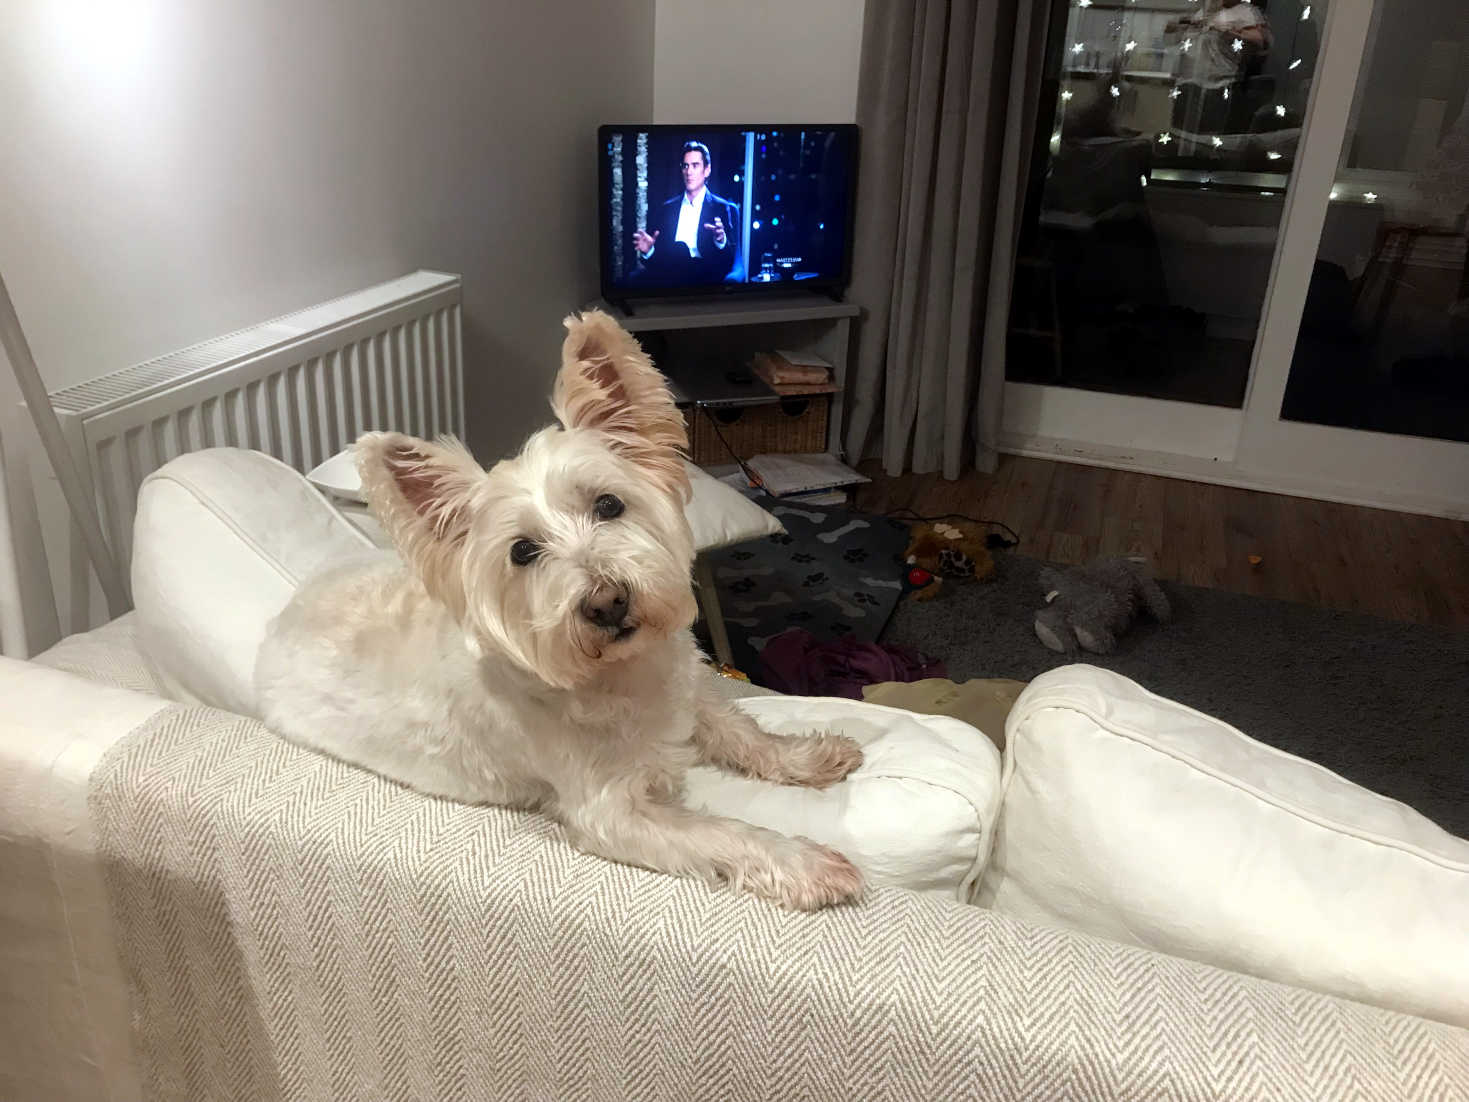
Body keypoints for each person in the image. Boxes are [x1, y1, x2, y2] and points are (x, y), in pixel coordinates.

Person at [631, 141, 741, 283]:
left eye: (695, 165)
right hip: (671, 276)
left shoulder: (722, 208)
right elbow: (658, 263)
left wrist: (720, 241)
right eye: (685, 166)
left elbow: (730, 262)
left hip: (704, 277)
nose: (689, 172)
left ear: (707, 170)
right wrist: (649, 251)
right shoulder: (667, 209)